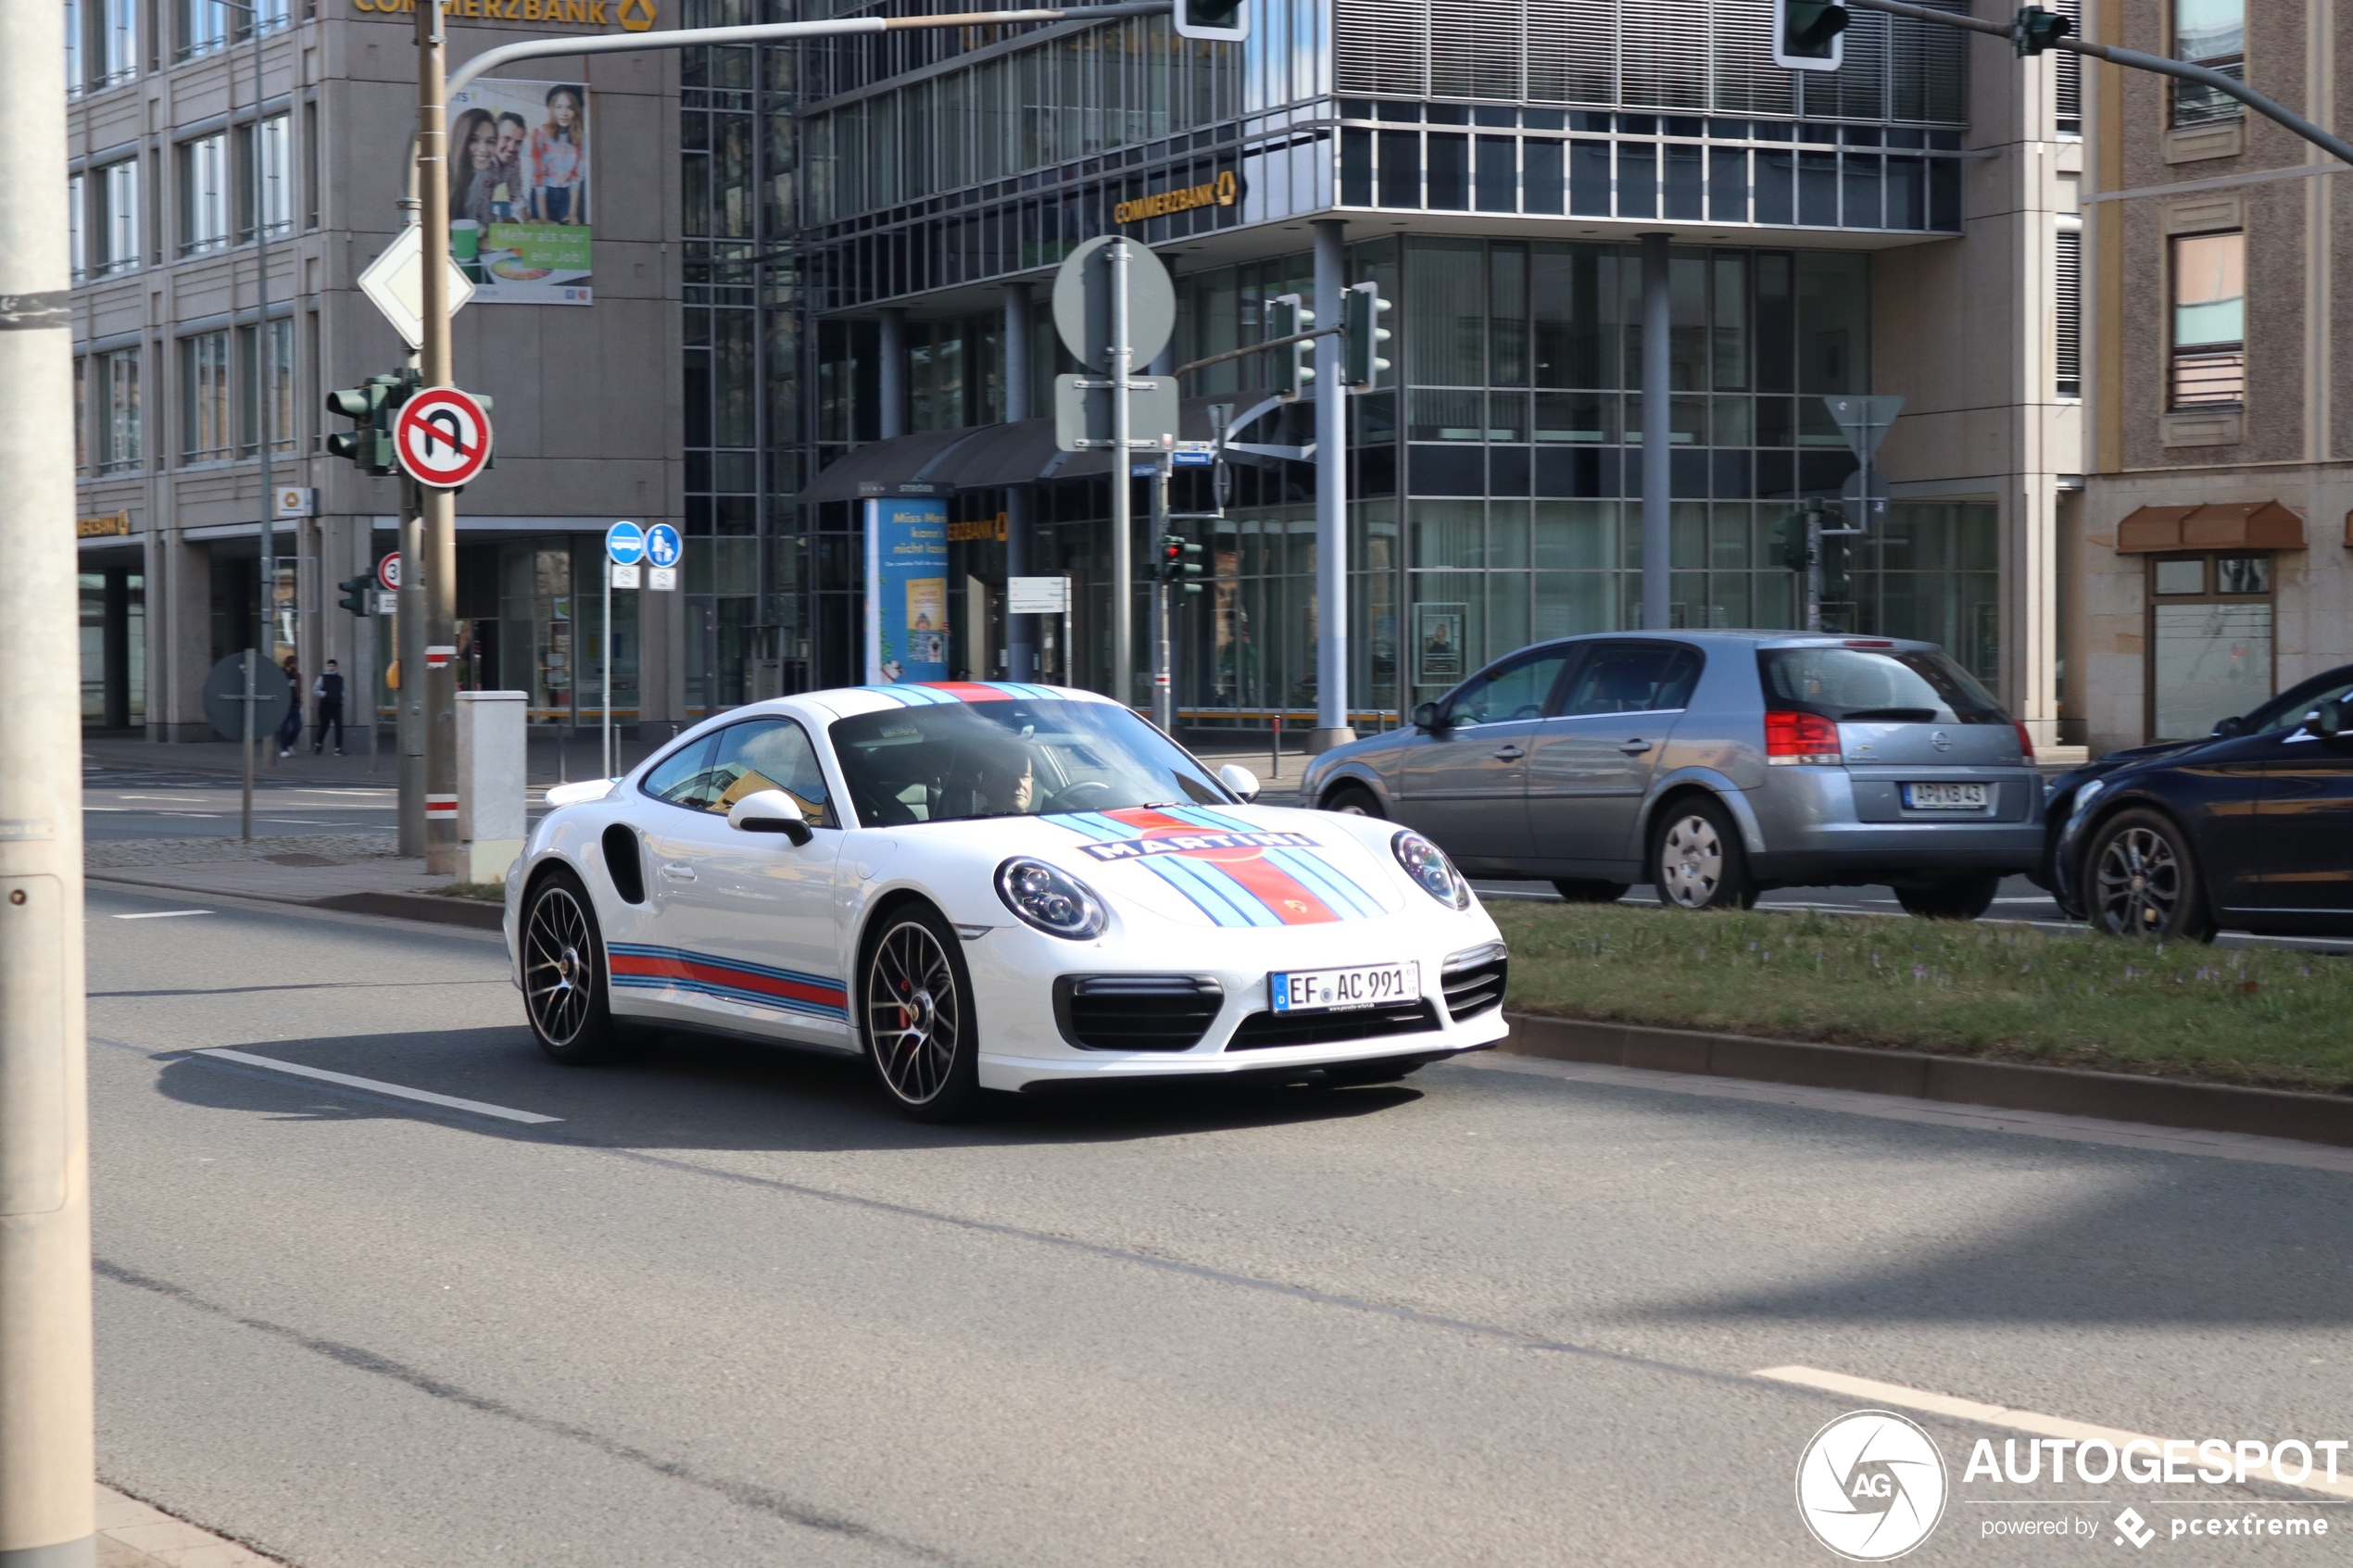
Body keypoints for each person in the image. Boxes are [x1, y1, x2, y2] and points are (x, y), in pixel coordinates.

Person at [524, 85, 587, 226]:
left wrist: (572, 213)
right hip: (542, 195)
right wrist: (544, 219)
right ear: (552, 109)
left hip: (566, 195)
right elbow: (538, 178)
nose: (564, 113)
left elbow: (576, 178)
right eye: (559, 107)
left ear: (576, 111)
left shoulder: (582, 140)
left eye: (570, 108)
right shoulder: (539, 134)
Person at [449, 108, 500, 226]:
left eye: (490, 142)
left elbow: (479, 219)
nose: (483, 149)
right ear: (461, 139)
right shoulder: (443, 177)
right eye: (474, 140)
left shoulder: (483, 175)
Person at [312, 659, 346, 756]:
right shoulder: (322, 677)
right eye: (330, 666)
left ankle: (338, 748)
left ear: (336, 667)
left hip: (337, 705)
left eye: (333, 666)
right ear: (327, 667)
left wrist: (341, 697)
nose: (331, 668)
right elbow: (315, 689)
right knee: (324, 726)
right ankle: (319, 743)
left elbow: (343, 690)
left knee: (339, 726)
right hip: (325, 705)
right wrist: (325, 695)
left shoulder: (340, 678)